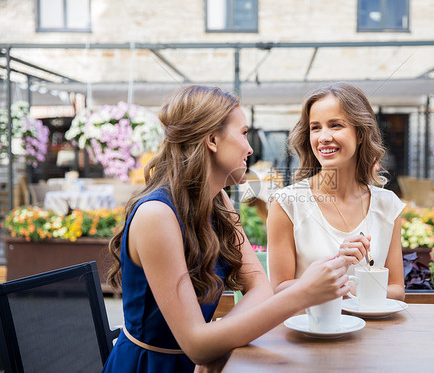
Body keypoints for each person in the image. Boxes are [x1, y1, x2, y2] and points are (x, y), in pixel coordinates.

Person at [102, 85, 349, 372]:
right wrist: (302, 294)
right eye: (243, 134)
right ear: (212, 140)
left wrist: (217, 342)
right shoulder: (156, 215)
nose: (250, 147)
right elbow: (196, 344)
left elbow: (259, 287)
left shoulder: (217, 200)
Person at [267, 82, 406, 301]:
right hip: (311, 331)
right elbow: (279, 289)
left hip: (372, 332)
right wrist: (337, 267)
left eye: (335, 125)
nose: (323, 137)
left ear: (360, 134)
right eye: (315, 127)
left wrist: (349, 288)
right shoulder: (287, 203)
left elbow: (397, 290)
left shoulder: (387, 205)